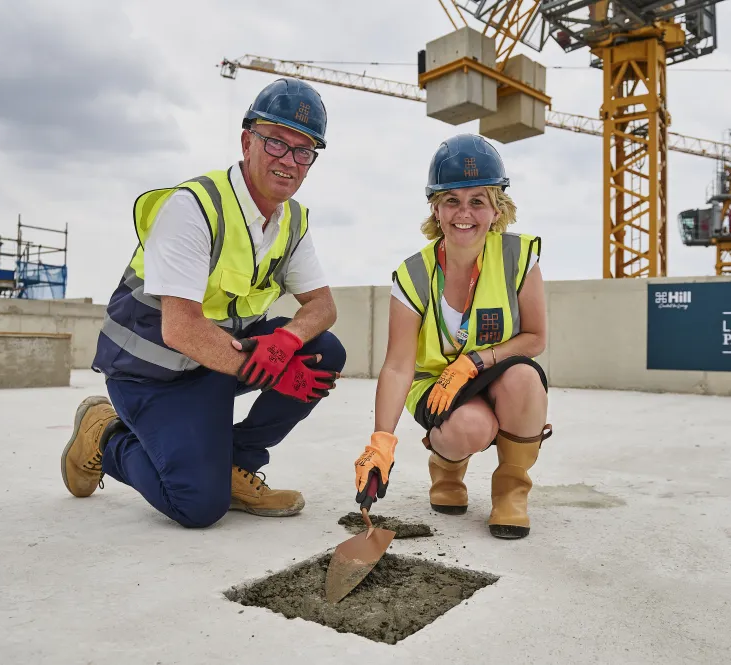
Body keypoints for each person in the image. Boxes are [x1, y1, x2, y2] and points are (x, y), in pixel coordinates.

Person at [60, 77, 346, 528]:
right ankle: (106, 435)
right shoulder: (194, 207)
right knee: (197, 506)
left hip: (212, 363)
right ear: (247, 141)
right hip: (150, 376)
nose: (288, 161)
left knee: (323, 351)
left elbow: (323, 306)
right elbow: (181, 328)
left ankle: (238, 464)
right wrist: (264, 367)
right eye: (276, 143)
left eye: (303, 151)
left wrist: (285, 343)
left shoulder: (291, 220)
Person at [353, 134, 552, 539]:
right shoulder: (412, 274)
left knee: (525, 378)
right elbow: (397, 365)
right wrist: (381, 441)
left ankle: (511, 491)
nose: (465, 213)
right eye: (452, 201)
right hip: (434, 385)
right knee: (471, 428)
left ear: (496, 208)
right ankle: (446, 469)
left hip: (493, 373)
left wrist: (474, 362)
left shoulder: (517, 257)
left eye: (478, 200)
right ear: (436, 209)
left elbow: (534, 338)